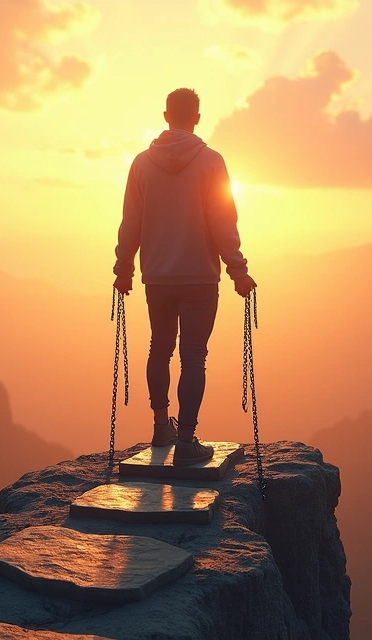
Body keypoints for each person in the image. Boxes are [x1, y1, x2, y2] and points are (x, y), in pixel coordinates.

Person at [113, 87, 257, 467]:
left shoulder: (141, 164)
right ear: (196, 117)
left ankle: (162, 426)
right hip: (198, 278)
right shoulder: (211, 162)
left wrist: (123, 267)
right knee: (194, 356)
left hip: (156, 277)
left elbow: (132, 222)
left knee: (159, 348)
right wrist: (238, 271)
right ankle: (187, 442)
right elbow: (222, 220)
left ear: (165, 116)